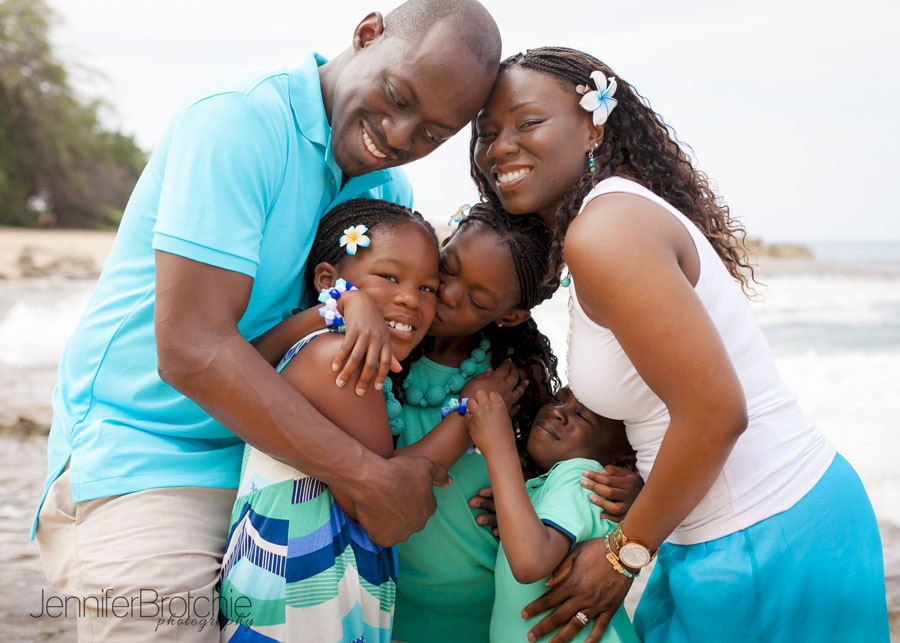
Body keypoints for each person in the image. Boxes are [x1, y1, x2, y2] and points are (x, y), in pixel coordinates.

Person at [33, 2, 501, 640]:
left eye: (432, 133)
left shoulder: (388, 197)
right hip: (147, 456)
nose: (399, 134)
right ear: (367, 35)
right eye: (397, 96)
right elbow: (190, 349)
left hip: (280, 458)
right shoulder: (238, 123)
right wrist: (368, 479)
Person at [470, 47, 889, 642]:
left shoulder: (606, 231)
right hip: (743, 528)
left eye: (527, 122)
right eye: (488, 133)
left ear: (594, 124)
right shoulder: (609, 217)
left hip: (762, 537)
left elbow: (717, 415)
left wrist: (622, 554)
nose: (499, 147)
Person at [219, 199, 441, 642]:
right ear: (328, 280)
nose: (409, 299)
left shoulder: (319, 349)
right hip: (298, 606)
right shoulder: (337, 360)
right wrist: (471, 417)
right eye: (390, 277)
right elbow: (383, 509)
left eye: (428, 288)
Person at [465, 385, 639, 643]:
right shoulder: (546, 486)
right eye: (558, 398)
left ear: (620, 463)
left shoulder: (581, 474)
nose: (558, 412)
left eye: (583, 416)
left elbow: (530, 562)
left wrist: (499, 446)